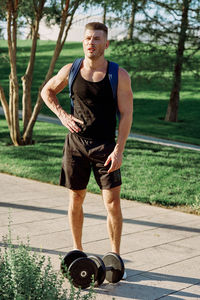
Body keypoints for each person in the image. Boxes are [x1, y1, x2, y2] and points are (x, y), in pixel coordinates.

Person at [41, 22, 133, 259]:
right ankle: (77, 251)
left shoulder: (118, 75)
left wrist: (119, 150)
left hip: (106, 146)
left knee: (112, 202)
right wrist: (62, 115)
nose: (91, 43)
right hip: (76, 145)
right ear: (83, 41)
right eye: (88, 38)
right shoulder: (71, 70)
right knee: (76, 197)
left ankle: (114, 256)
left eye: (97, 39)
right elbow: (47, 91)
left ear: (106, 43)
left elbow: (126, 114)